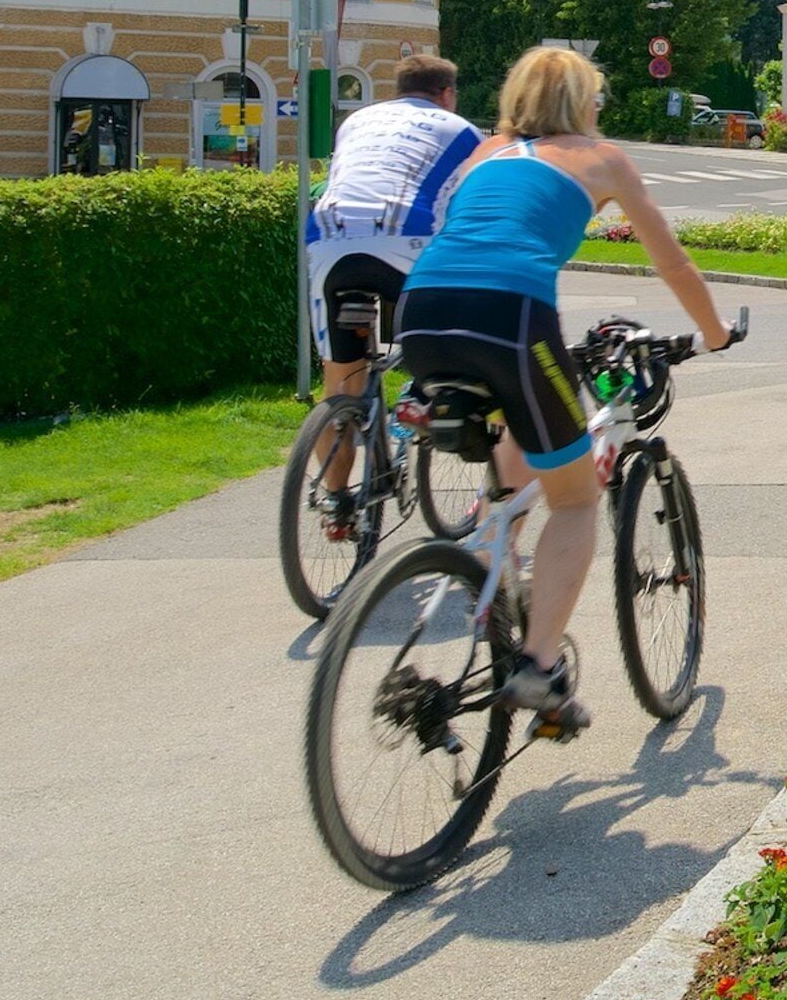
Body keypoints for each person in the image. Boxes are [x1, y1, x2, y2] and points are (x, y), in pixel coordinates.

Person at [398, 44, 729, 741]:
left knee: (516, 455)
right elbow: (670, 259)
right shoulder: (602, 159)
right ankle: (539, 665)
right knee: (576, 497)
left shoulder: (484, 153)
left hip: (422, 309)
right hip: (511, 315)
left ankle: (496, 573)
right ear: (584, 103)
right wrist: (714, 332)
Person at [302, 51, 483, 507]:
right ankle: (420, 397)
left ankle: (337, 503)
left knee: (341, 380)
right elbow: (469, 208)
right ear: (447, 94)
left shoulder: (357, 122)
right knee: (455, 327)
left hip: (329, 238)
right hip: (405, 241)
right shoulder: (461, 131)